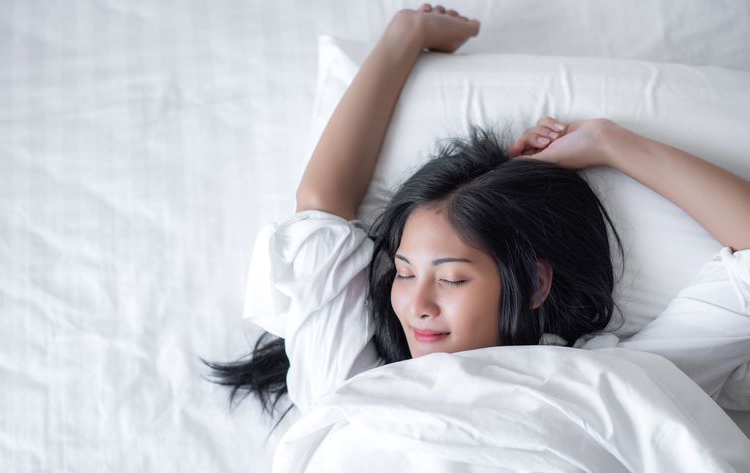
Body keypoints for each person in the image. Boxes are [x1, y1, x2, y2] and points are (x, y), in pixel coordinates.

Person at [202, 4, 750, 432]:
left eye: (451, 278)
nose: (416, 305)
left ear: (534, 282)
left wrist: (610, 142)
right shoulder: (354, 387)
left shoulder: (613, 380)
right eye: (405, 272)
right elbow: (319, 207)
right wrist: (404, 38)